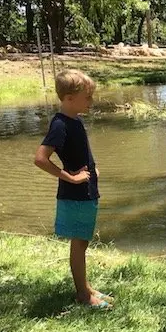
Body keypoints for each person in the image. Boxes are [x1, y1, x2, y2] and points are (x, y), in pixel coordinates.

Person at [34, 69, 112, 309]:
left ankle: (85, 287)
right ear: (69, 98)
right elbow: (40, 158)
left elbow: (79, 151)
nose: (91, 101)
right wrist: (69, 176)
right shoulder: (60, 125)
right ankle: (83, 295)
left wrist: (92, 168)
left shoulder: (75, 120)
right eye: (87, 97)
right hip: (76, 194)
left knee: (83, 241)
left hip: (86, 191)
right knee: (79, 243)